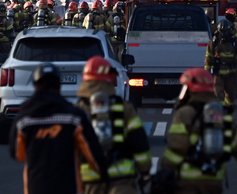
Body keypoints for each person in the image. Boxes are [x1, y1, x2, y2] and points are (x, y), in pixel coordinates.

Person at [9, 63, 108, 194]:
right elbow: (93, 154)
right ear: (59, 86)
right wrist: (105, 176)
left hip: (36, 187)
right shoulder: (74, 117)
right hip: (68, 188)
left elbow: (18, 154)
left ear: (35, 86)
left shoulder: (23, 120)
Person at [158, 68, 237, 194]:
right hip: (214, 181)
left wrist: (165, 171)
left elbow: (177, 147)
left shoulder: (185, 113)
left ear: (189, 89)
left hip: (187, 181)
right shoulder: (221, 114)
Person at [76, 57, 151, 194]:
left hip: (90, 181)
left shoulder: (77, 110)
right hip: (121, 180)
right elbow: (139, 141)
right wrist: (145, 171)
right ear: (110, 78)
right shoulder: (124, 108)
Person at [205, 20, 237, 107]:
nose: (224, 34)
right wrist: (207, 72)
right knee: (218, 94)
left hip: (231, 73)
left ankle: (228, 108)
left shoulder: (235, 41)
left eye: (226, 32)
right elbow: (208, 58)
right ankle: (221, 110)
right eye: (222, 32)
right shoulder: (214, 42)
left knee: (232, 95)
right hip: (218, 73)